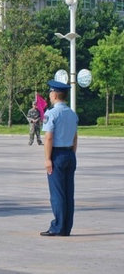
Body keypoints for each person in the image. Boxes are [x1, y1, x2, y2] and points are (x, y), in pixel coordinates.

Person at [40, 80, 78, 237]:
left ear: (54, 94)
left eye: (50, 93)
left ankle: (58, 227)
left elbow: (49, 138)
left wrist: (48, 159)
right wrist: (72, 153)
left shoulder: (51, 113)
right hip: (69, 154)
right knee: (69, 193)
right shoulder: (72, 114)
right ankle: (66, 226)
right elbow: (75, 137)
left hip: (57, 154)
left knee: (57, 193)